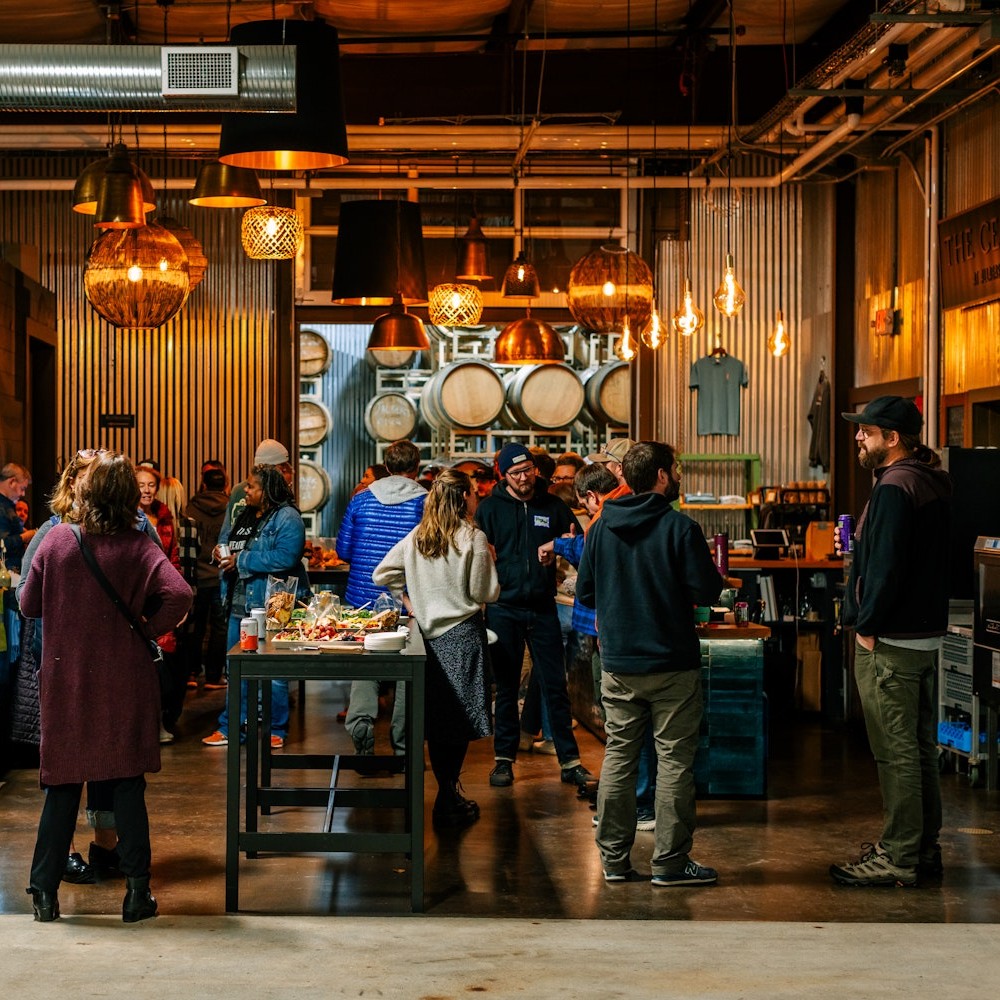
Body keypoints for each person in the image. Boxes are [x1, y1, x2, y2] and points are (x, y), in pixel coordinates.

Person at [20, 452, 192, 922]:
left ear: (85, 492)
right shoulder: (140, 545)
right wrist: (146, 628)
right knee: (126, 785)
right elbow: (180, 593)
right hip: (125, 680)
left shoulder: (57, 540)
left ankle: (44, 894)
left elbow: (29, 604)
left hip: (66, 679)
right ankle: (137, 895)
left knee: (62, 785)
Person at [576, 440, 722, 886]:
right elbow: (709, 592)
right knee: (675, 761)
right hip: (671, 662)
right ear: (660, 476)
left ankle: (614, 861)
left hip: (619, 662)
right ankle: (670, 864)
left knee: (620, 756)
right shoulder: (681, 528)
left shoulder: (601, 528)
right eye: (674, 468)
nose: (677, 475)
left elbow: (585, 593)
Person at [829, 396, 952, 888]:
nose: (859, 437)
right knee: (919, 749)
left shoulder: (895, 487)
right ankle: (922, 848)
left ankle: (899, 857)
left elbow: (886, 568)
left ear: (892, 438)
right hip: (923, 636)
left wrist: (865, 625)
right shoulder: (929, 480)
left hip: (891, 640)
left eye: (867, 431)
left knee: (895, 751)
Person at [373, 469, 500, 828]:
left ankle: (448, 793)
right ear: (463, 498)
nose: (477, 497)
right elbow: (483, 593)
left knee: (439, 722)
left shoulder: (418, 537)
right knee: (457, 725)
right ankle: (447, 797)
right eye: (473, 493)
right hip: (462, 637)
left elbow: (381, 574)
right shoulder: (472, 537)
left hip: (428, 639)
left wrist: (412, 604)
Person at [474, 442, 592, 788]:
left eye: (528, 471)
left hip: (543, 607)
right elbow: (479, 556)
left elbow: (581, 545)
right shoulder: (490, 509)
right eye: (516, 473)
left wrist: (562, 552)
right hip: (503, 608)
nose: (524, 478)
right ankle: (503, 760)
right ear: (504, 475)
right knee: (507, 687)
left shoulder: (554, 506)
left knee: (555, 686)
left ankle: (569, 761)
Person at [202, 464, 308, 749]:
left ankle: (277, 728)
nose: (245, 490)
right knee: (235, 667)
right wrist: (221, 552)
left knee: (273, 672)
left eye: (251, 487)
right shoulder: (246, 513)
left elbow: (286, 557)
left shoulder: (288, 517)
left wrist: (242, 560)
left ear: (267, 490)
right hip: (240, 602)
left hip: (273, 605)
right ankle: (231, 727)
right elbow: (229, 541)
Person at [337, 439, 427, 755]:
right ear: (417, 468)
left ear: (386, 467)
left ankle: (361, 731)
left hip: (362, 600)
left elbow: (343, 550)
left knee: (366, 667)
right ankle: (403, 746)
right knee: (408, 673)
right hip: (410, 603)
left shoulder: (360, 501)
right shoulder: (427, 504)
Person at [184, 466, 230, 689]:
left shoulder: (192, 507)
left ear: (204, 484)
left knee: (196, 625)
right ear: (225, 485)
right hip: (221, 574)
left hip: (197, 575)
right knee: (220, 627)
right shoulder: (230, 508)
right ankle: (214, 676)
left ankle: (191, 673)